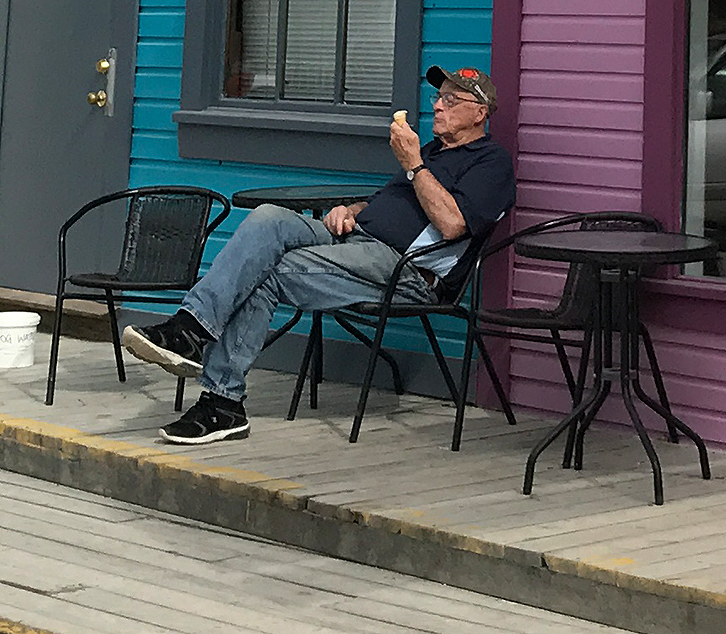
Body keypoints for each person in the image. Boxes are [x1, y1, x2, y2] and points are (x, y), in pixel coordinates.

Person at [125, 66, 515, 445]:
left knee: (272, 271)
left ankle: (222, 402)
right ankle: (191, 328)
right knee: (268, 219)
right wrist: (352, 210)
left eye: (451, 99)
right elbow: (394, 207)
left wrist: (413, 164)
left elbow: (451, 224)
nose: (438, 106)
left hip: (405, 272)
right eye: (437, 96)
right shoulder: (431, 150)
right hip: (354, 239)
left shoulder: (490, 164)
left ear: (480, 113)